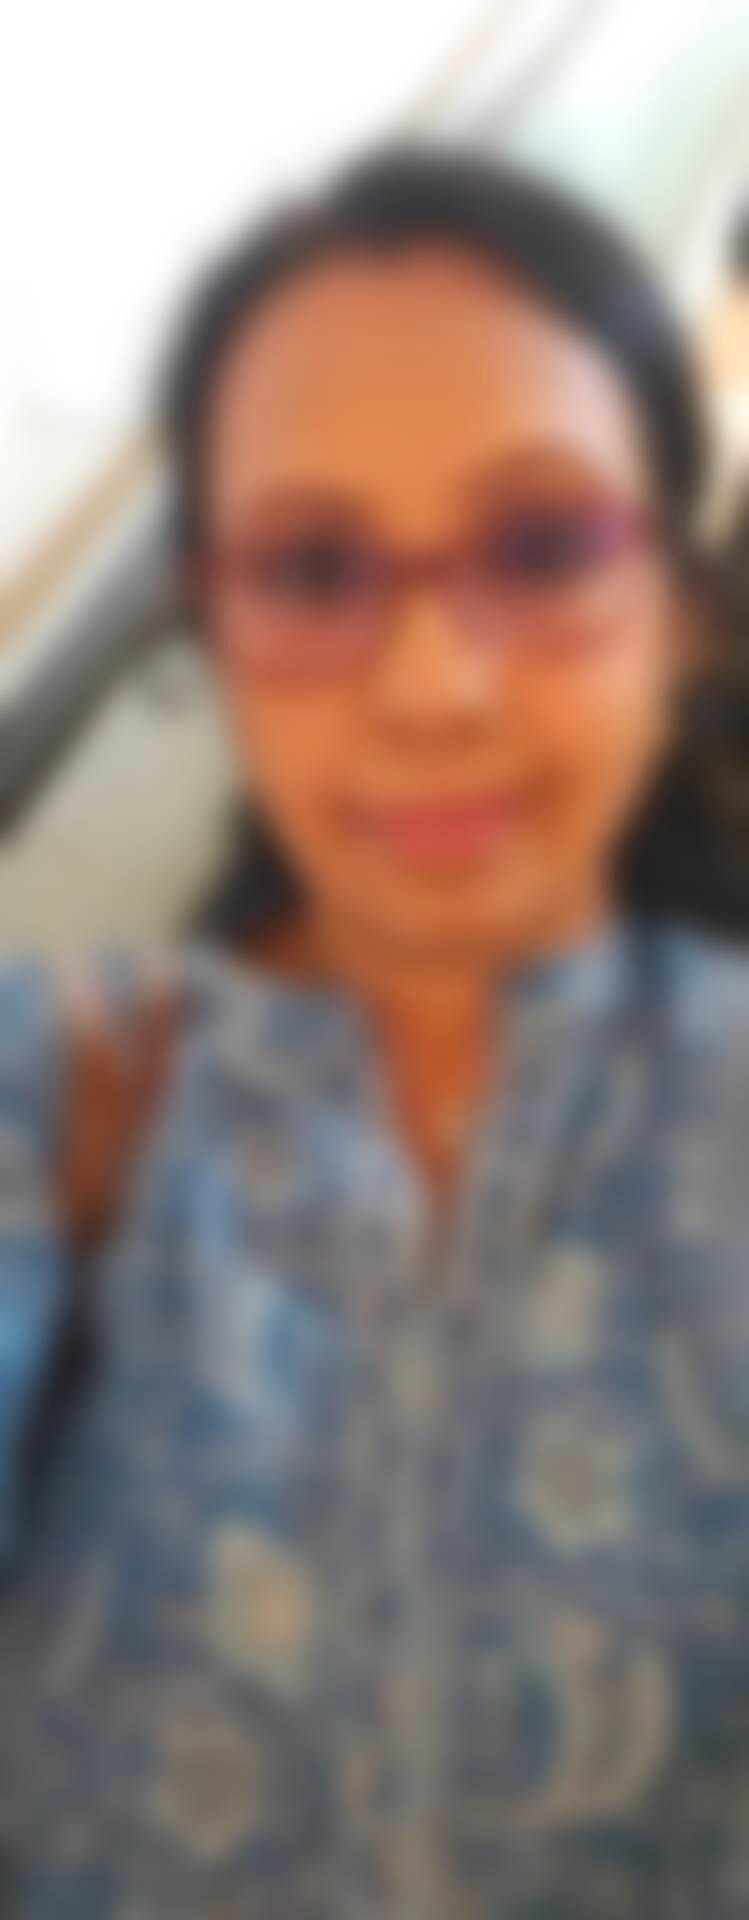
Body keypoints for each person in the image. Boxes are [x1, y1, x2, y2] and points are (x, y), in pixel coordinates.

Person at [1, 145, 749, 1919]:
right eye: (312, 566)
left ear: (676, 611)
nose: (429, 685)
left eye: (542, 544)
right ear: (210, 625)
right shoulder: (65, 1089)